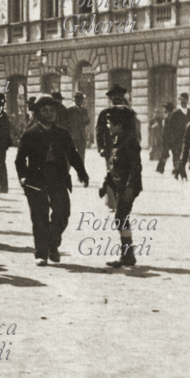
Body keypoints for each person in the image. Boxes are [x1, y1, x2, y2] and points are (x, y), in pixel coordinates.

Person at [15, 94, 89, 266]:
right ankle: (41, 253)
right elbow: (19, 160)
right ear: (38, 113)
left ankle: (52, 244)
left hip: (58, 177)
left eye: (52, 110)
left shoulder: (62, 133)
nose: (49, 113)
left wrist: (82, 172)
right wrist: (23, 177)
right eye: (45, 110)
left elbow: (73, 154)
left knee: (62, 214)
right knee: (39, 217)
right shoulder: (30, 134)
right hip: (36, 180)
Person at [100, 106, 143, 268]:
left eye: (111, 123)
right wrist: (106, 184)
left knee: (120, 217)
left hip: (128, 187)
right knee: (121, 218)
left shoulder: (130, 141)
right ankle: (127, 254)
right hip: (120, 185)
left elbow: (135, 167)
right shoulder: (117, 139)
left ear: (120, 125)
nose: (108, 127)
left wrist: (131, 187)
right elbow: (113, 166)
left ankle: (127, 256)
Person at [96, 84, 137, 208]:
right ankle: (111, 201)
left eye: (119, 96)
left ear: (123, 97)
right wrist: (101, 147)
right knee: (111, 172)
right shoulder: (104, 113)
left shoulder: (129, 113)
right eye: (114, 97)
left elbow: (133, 131)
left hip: (125, 148)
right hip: (109, 148)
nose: (117, 99)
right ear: (111, 99)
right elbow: (99, 131)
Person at [65, 92, 90, 162]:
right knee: (70, 155)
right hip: (72, 136)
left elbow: (87, 122)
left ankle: (81, 171)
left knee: (81, 155)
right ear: (74, 100)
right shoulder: (69, 109)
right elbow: (66, 123)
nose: (80, 101)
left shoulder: (84, 110)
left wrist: (87, 120)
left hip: (82, 136)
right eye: (78, 100)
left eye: (81, 100)